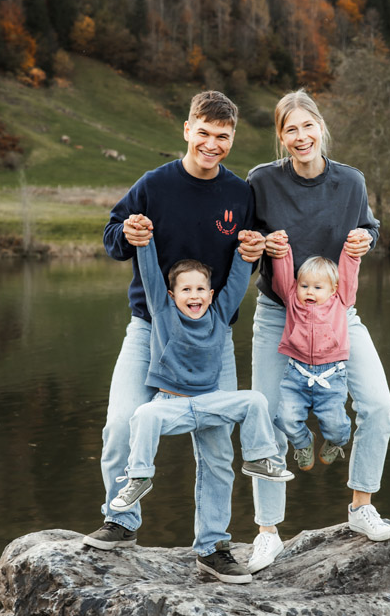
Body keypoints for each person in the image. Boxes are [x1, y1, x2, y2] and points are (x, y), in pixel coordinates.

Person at [83, 90, 266, 584]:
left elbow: (254, 255)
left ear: (232, 139)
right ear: (187, 130)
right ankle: (121, 521)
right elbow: (112, 236)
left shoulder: (239, 194)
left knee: (216, 444)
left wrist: (258, 246)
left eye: (222, 137)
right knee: (122, 423)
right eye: (203, 133)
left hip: (213, 339)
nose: (211, 144)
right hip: (149, 329)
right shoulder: (154, 185)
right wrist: (130, 234)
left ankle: (212, 545)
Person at [245, 88, 390, 575]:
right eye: (290, 129)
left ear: (321, 128)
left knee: (378, 404)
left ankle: (361, 507)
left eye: (308, 126)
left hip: (337, 315)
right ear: (281, 137)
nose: (301, 136)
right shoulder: (262, 181)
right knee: (264, 415)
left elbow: (368, 227)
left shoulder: (350, 182)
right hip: (277, 315)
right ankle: (268, 532)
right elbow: (244, 241)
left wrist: (364, 239)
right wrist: (261, 243)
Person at [108, 217, 293, 550]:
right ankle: (138, 478)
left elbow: (237, 281)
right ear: (171, 294)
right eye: (186, 290)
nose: (194, 296)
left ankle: (259, 457)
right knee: (142, 416)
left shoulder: (219, 316)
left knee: (255, 400)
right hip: (172, 404)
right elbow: (150, 275)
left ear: (210, 293)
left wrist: (245, 254)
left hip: (210, 403)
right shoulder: (163, 313)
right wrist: (144, 241)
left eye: (199, 290)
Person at [269, 233, 359, 471]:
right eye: (304, 285)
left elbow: (349, 275)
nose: (309, 292)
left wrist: (351, 252)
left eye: (318, 287)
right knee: (284, 417)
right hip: (296, 373)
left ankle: (336, 441)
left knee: (336, 426)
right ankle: (303, 442)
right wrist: (281, 249)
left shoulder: (341, 300)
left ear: (333, 290)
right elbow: (282, 278)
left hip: (331, 376)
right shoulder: (292, 300)